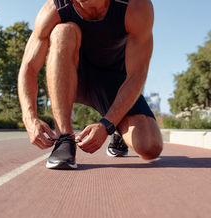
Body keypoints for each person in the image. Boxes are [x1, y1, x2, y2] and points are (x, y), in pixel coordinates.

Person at [18, 0, 163, 169]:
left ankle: (118, 133)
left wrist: (107, 124)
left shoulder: (136, 6)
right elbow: (28, 67)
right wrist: (29, 118)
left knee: (150, 147)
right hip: (71, 76)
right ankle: (64, 138)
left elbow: (137, 75)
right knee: (63, 31)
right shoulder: (54, 9)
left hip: (114, 82)